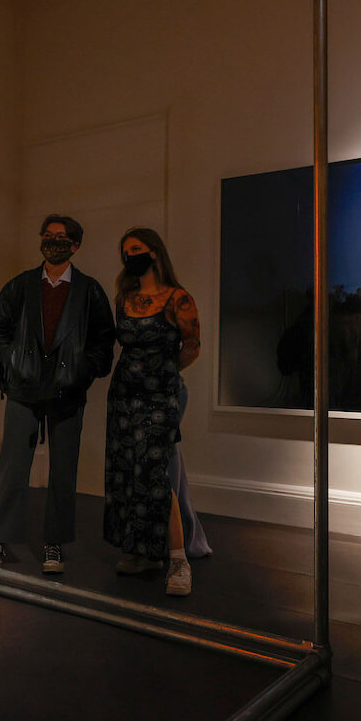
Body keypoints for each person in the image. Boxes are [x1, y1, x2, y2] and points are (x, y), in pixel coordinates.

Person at [0, 214, 116, 574]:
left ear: (75, 245)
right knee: (12, 467)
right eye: (48, 235)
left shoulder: (89, 290)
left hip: (67, 392)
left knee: (64, 469)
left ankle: (54, 543)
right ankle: (0, 540)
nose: (53, 241)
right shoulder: (21, 285)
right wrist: (10, 360)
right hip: (23, 389)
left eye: (61, 237)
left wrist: (84, 369)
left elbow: (104, 339)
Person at [104, 227, 209, 597]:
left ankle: (178, 560)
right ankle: (143, 553)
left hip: (159, 397)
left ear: (154, 252)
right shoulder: (125, 298)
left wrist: (162, 373)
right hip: (122, 396)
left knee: (156, 476)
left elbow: (192, 347)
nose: (130, 255)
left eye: (136, 248)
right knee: (128, 474)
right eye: (125, 250)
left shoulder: (178, 298)